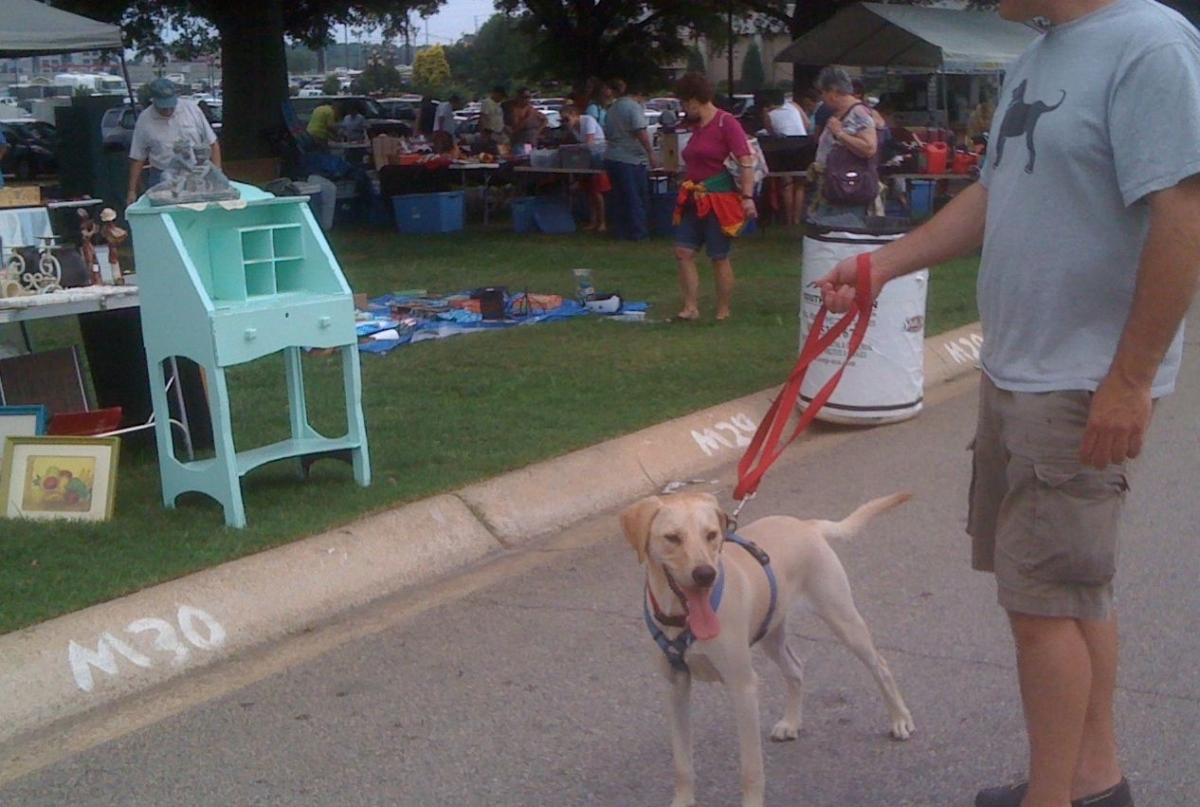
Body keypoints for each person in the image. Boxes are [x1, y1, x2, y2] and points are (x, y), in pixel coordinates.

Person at [815, 3, 1200, 806]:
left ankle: (1052, 798)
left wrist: (1129, 379)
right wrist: (882, 265)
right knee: (1067, 591)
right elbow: (994, 195)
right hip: (1019, 367)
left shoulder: (1152, 44)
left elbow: (1185, 211)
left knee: (1040, 608)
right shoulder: (1040, 55)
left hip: (1081, 379)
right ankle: (1095, 780)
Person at [670, 72, 755, 321]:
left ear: (695, 100)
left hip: (719, 199)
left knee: (718, 255)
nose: (684, 109)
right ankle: (690, 307)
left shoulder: (726, 123)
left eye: (685, 103)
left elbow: (746, 162)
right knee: (682, 251)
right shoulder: (696, 127)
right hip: (693, 198)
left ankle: (723, 310)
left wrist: (747, 197)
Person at [127, 78, 221, 207]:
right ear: (153, 100)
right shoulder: (144, 120)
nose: (168, 110)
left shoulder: (192, 110)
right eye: (163, 107)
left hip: (195, 173)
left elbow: (213, 144)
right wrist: (132, 191)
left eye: (171, 106)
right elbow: (137, 157)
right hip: (162, 174)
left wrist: (217, 173)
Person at [809, 65, 877, 217]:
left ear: (833, 91)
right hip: (835, 188)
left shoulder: (858, 113)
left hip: (848, 190)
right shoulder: (840, 113)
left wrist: (840, 134)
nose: (822, 98)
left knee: (842, 234)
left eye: (823, 93)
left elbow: (869, 148)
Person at [603, 79, 658, 241]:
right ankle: (639, 233)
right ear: (639, 95)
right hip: (631, 159)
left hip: (612, 157)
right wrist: (650, 153)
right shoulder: (633, 107)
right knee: (635, 198)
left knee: (619, 198)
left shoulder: (612, 108)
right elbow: (640, 132)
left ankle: (621, 232)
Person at [560, 103, 611, 232]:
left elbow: (590, 142)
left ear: (575, 115)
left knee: (596, 191)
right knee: (588, 191)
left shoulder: (588, 120)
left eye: (566, 119)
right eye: (562, 120)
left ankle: (602, 222)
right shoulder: (572, 128)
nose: (565, 123)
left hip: (597, 157)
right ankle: (593, 220)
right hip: (584, 158)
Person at [762, 88, 808, 226]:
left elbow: (770, 133)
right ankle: (797, 219)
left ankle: (788, 220)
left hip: (785, 146)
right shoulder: (794, 105)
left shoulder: (769, 114)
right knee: (800, 184)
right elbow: (807, 123)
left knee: (787, 184)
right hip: (802, 144)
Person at [509, 87, 547, 153]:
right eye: (525, 97)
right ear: (519, 97)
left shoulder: (531, 109)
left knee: (530, 158)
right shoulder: (515, 110)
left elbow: (544, 120)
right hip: (520, 141)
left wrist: (537, 132)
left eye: (529, 97)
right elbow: (516, 128)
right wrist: (528, 117)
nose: (527, 99)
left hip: (530, 141)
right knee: (521, 158)